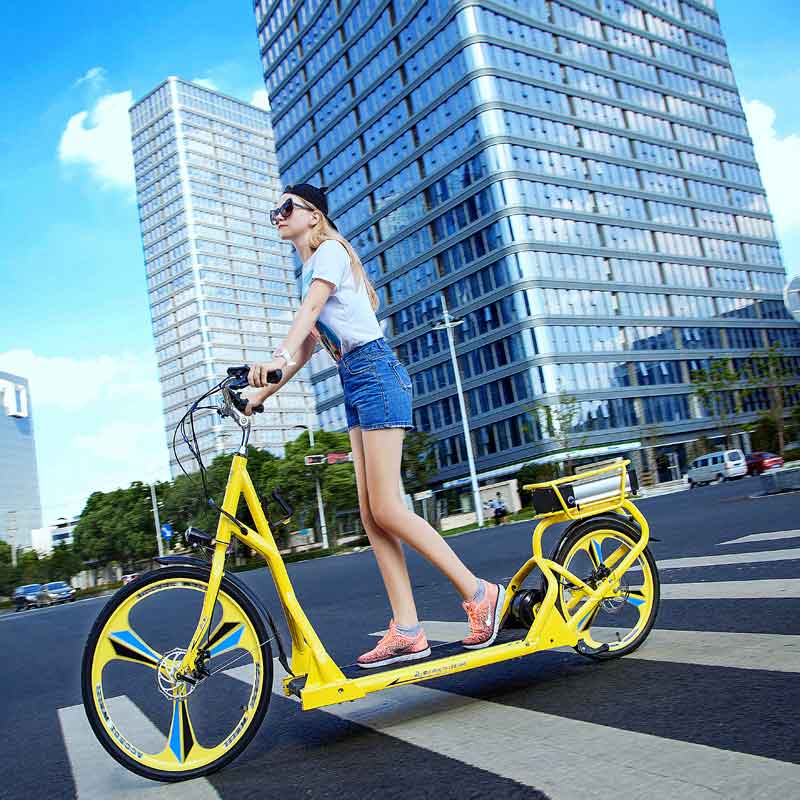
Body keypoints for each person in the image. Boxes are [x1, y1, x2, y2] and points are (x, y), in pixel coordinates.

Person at [245, 184, 506, 668]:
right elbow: (305, 350)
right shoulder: (310, 268)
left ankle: (480, 591)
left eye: (286, 208)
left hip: (376, 373)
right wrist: (257, 397)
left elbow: (307, 318)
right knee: (372, 515)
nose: (276, 215)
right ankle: (408, 629)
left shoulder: (329, 252)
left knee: (387, 505)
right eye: (274, 210)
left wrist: (273, 357)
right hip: (357, 380)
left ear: (314, 216)